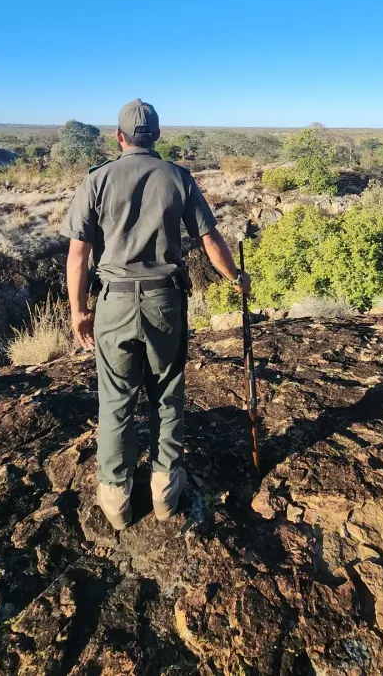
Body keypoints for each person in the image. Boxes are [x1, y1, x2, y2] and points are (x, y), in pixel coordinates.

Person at [61, 99, 250, 529]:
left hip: (113, 302)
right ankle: (165, 492)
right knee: (166, 393)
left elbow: (78, 255)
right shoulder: (178, 179)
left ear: (119, 136)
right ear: (158, 137)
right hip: (165, 301)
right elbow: (211, 240)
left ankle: (117, 500)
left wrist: (78, 311)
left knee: (115, 399)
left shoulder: (98, 180)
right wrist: (236, 277)